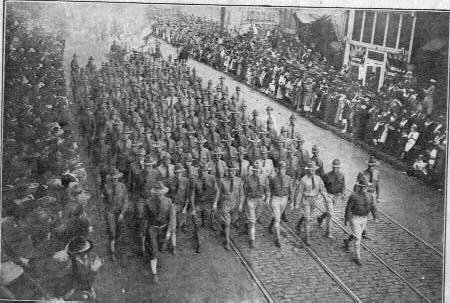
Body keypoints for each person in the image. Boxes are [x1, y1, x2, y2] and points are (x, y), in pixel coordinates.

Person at [141, 182, 176, 282]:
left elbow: (171, 218)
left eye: (161, 192)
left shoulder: (169, 201)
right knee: (154, 251)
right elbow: (145, 219)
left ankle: (157, 254)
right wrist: (143, 233)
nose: (159, 194)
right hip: (153, 229)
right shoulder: (148, 202)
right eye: (157, 192)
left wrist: (169, 231)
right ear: (154, 193)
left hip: (164, 228)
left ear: (163, 192)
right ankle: (154, 274)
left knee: (162, 247)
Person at [343, 175, 378, 266]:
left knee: (357, 235)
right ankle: (357, 257)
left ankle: (347, 241)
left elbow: (373, 207)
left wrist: (375, 216)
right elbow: (348, 208)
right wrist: (347, 219)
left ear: (367, 187)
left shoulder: (370, 196)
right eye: (362, 187)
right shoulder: (354, 196)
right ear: (359, 187)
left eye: (365, 187)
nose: (364, 189)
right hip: (355, 218)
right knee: (358, 238)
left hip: (364, 218)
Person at [294, 161, 327, 245]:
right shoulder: (303, 180)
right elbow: (299, 192)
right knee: (308, 219)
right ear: (308, 170)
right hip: (306, 200)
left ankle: (299, 224)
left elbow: (322, 189)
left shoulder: (318, 178)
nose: (313, 171)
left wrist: (326, 197)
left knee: (307, 216)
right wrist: (297, 203)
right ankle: (307, 237)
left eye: (314, 170)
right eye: (311, 170)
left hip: (314, 200)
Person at [191, 162, 220, 252]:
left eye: (205, 171)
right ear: (199, 172)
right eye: (202, 171)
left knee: (207, 220)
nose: (203, 173)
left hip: (208, 203)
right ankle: (199, 242)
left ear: (207, 171)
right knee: (196, 221)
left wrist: (215, 203)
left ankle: (205, 228)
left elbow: (217, 191)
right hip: (198, 203)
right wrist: (192, 208)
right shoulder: (194, 180)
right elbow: (192, 195)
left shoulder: (212, 178)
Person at [103, 168, 129, 261]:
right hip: (110, 212)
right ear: (110, 179)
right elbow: (104, 201)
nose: (115, 180)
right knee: (112, 232)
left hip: (120, 212)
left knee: (120, 231)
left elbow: (126, 201)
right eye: (113, 178)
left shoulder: (122, 187)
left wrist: (122, 213)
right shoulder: (106, 187)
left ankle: (120, 250)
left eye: (116, 178)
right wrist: (106, 212)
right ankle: (112, 252)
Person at [64, 236, 102, 301]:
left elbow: (96, 275)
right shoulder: (71, 261)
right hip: (76, 288)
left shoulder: (94, 258)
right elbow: (69, 279)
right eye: (78, 253)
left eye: (84, 252)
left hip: (91, 287)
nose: (82, 254)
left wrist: (92, 288)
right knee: (83, 297)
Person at [243, 162, 270, 248]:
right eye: (255, 171)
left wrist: (268, 198)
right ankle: (252, 240)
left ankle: (248, 225)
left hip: (260, 200)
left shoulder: (264, 178)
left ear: (260, 170)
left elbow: (267, 189)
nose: (256, 172)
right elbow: (244, 191)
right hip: (251, 200)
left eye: (258, 170)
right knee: (252, 221)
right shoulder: (248, 179)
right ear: (253, 171)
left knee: (256, 217)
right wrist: (243, 202)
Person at [268, 161, 294, 247]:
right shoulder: (273, 179)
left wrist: (292, 201)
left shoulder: (288, 178)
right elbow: (270, 190)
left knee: (277, 216)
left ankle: (270, 226)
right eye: (281, 169)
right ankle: (278, 239)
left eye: (284, 169)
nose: (283, 170)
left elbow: (291, 190)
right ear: (278, 169)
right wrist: (269, 199)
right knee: (277, 219)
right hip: (276, 199)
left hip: (284, 199)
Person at [218, 165, 244, 250]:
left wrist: (240, 204)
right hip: (225, 203)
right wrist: (216, 203)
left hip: (235, 204)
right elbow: (218, 193)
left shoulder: (239, 180)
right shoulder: (222, 181)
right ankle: (227, 242)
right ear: (227, 171)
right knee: (227, 224)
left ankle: (223, 226)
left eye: (233, 171)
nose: (231, 173)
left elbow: (241, 194)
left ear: (235, 171)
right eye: (230, 171)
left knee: (233, 220)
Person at [320, 158, 345, 238]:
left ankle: (320, 218)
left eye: (337, 167)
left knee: (329, 212)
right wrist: (325, 195)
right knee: (330, 214)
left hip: (336, 196)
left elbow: (343, 186)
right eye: (334, 167)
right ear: (332, 167)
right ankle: (328, 232)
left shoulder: (342, 175)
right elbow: (321, 186)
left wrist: (343, 193)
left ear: (339, 167)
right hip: (328, 196)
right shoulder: (327, 176)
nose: (335, 169)